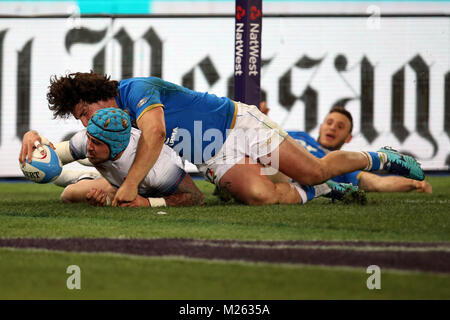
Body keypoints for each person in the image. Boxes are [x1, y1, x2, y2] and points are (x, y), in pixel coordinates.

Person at [20, 71, 425, 206]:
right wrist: (33, 136)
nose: (86, 123)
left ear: (95, 96)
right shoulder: (111, 120)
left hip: (238, 124)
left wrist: (128, 186)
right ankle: (320, 194)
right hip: (212, 156)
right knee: (261, 197)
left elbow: (157, 133)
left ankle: (376, 157)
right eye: (81, 119)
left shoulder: (135, 89)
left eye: (84, 113)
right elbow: (62, 149)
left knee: (315, 169)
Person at [22, 108, 205, 207]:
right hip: (120, 180)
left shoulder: (159, 170)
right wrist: (34, 139)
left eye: (97, 143)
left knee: (74, 192)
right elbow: (52, 158)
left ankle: (88, 179)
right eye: (89, 139)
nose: (89, 147)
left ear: (116, 146)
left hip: (149, 186)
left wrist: (147, 203)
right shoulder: (87, 140)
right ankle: (88, 179)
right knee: (68, 195)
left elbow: (196, 197)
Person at [287, 106, 432, 193]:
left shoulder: (343, 165)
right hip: (271, 165)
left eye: (340, 127)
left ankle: (382, 158)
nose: (332, 127)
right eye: (329, 123)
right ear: (320, 127)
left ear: (348, 138)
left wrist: (413, 184)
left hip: (288, 174)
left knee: (315, 172)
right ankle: (325, 188)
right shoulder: (298, 135)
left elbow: (376, 183)